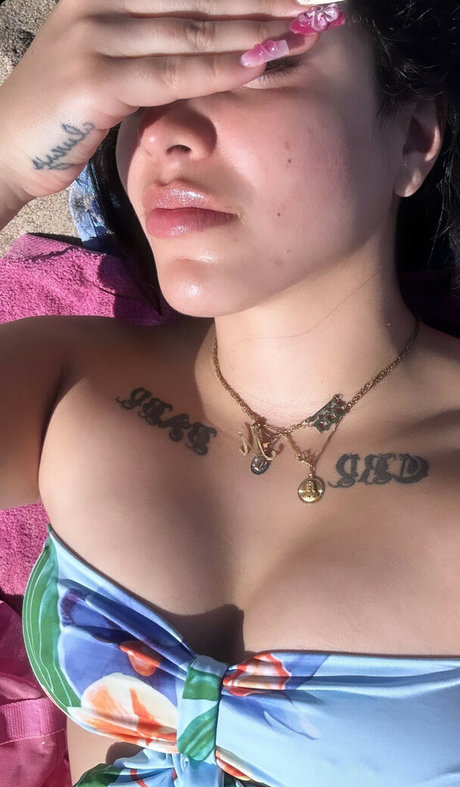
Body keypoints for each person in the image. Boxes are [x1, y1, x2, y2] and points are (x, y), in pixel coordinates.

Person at [1, 0, 460, 784]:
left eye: (263, 57)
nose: (165, 131)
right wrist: (7, 164)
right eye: (143, 75)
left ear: (413, 137)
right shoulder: (68, 378)